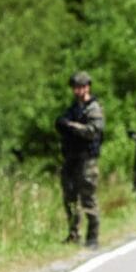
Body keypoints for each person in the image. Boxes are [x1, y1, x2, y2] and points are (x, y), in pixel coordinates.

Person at [56, 71, 105, 248]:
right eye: (75, 88)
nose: (78, 91)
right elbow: (64, 122)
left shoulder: (93, 108)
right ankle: (73, 233)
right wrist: (63, 124)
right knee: (69, 197)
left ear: (87, 87)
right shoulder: (74, 108)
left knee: (88, 198)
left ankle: (93, 237)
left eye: (81, 87)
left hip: (87, 160)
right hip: (72, 157)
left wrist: (71, 126)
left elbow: (93, 131)